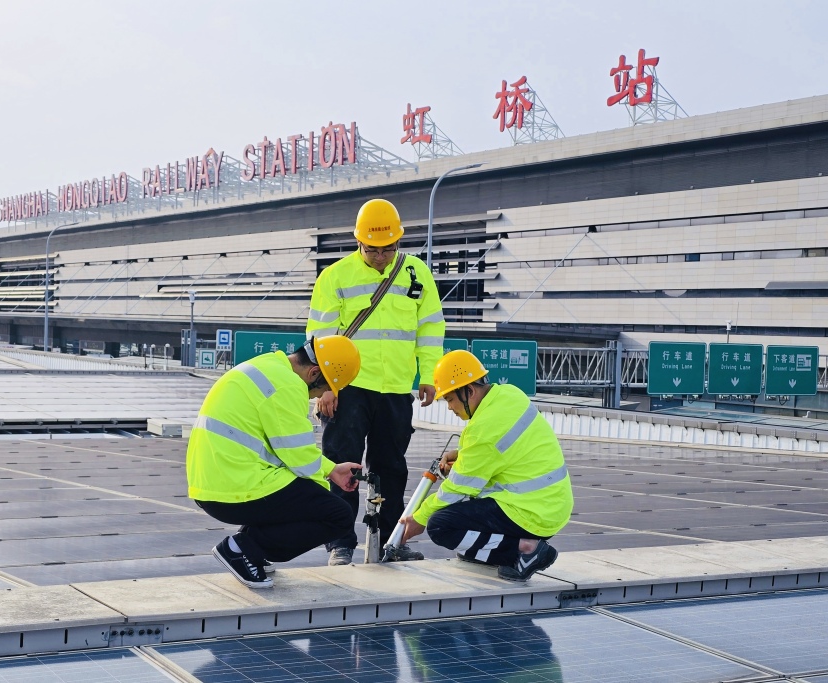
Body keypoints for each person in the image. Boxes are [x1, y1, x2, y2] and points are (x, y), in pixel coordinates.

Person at [307, 198, 445, 566]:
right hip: (348, 389)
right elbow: (320, 338)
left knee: (391, 469)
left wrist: (429, 375)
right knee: (341, 464)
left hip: (396, 390)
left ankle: (389, 542)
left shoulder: (416, 273)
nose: (381, 256)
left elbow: (430, 329)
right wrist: (326, 388)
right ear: (359, 242)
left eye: (388, 249)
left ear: (398, 242)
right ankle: (339, 542)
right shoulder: (335, 277)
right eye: (373, 250)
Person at [187, 335, 363, 588]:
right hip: (234, 487)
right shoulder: (287, 385)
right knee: (337, 514)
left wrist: (332, 469)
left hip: (218, 482)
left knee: (302, 497)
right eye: (321, 391)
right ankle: (242, 549)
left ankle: (251, 549)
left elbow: (287, 450)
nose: (317, 397)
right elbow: (301, 460)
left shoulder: (268, 367)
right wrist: (323, 494)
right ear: (314, 373)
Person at [397, 350, 573, 582]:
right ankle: (493, 551)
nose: (449, 407)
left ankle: (527, 549)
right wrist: (463, 456)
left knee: (441, 525)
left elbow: (456, 490)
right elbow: (503, 451)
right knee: (469, 511)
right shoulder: (509, 394)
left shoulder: (483, 430)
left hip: (532, 513)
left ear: (469, 391)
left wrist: (420, 517)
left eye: (450, 398)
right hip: (552, 504)